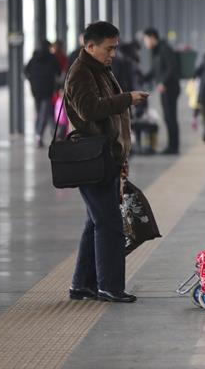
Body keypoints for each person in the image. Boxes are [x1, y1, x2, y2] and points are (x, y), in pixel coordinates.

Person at [63, 21, 149, 303]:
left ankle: (82, 285)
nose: (112, 53)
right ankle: (109, 286)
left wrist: (121, 155)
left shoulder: (99, 70)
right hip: (93, 159)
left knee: (95, 222)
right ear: (90, 46)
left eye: (115, 48)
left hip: (106, 156)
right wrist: (127, 99)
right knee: (109, 223)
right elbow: (89, 110)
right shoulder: (80, 73)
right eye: (108, 48)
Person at [143, 27, 180, 155]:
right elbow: (154, 70)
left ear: (153, 37)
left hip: (170, 88)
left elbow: (172, 67)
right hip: (164, 89)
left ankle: (174, 147)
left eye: (146, 39)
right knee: (167, 117)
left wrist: (163, 82)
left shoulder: (164, 49)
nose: (145, 42)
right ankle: (172, 146)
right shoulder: (156, 51)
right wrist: (143, 77)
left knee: (171, 117)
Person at [24, 41, 63, 148]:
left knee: (43, 112)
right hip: (48, 90)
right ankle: (40, 135)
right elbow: (59, 71)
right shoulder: (52, 58)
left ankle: (53, 133)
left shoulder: (33, 59)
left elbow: (25, 71)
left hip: (36, 90)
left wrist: (33, 80)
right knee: (44, 113)